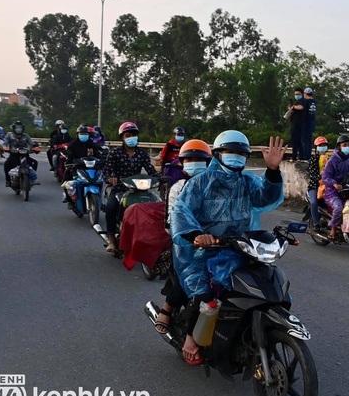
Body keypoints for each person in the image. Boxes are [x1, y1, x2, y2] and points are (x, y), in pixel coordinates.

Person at [170, 131, 286, 365]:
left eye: (241, 153)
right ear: (218, 154)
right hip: (201, 251)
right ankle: (191, 338)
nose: (236, 157)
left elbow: (265, 199)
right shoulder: (200, 181)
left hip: (239, 248)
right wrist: (196, 235)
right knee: (204, 294)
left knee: (265, 283)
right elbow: (181, 211)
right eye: (230, 152)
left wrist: (272, 171)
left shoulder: (247, 181)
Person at [154, 139, 213, 335]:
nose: (195, 163)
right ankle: (168, 308)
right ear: (182, 164)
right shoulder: (178, 187)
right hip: (187, 242)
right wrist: (195, 236)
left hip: (219, 241)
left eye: (199, 159)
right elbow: (172, 222)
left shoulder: (216, 186)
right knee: (192, 271)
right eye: (190, 159)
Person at [103, 121, 160, 253]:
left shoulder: (142, 154)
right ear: (122, 138)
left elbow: (150, 170)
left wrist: (160, 178)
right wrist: (111, 178)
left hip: (139, 189)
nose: (131, 137)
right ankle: (111, 239)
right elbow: (107, 171)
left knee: (154, 206)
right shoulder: (115, 153)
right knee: (111, 208)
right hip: (120, 188)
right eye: (128, 135)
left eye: (133, 134)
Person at [3, 121, 40, 186]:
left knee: (35, 163)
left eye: (20, 128)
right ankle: (8, 181)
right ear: (14, 128)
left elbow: (32, 143)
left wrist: (35, 147)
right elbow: (5, 143)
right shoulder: (9, 135)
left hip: (25, 155)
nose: (18, 129)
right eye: (17, 128)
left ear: (23, 128)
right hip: (14, 155)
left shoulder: (26, 136)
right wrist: (5, 148)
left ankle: (31, 179)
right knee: (6, 164)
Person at [306, 136, 330, 230]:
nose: (322, 147)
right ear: (316, 148)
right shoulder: (313, 159)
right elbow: (313, 175)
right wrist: (321, 178)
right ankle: (316, 223)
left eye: (324, 145)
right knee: (314, 203)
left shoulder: (329, 159)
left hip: (328, 186)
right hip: (314, 186)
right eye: (320, 145)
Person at [287, 88, 306, 162]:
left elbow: (301, 107)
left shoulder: (302, 101)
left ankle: (299, 157)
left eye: (298, 94)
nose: (296, 95)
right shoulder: (297, 102)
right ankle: (296, 156)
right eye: (295, 94)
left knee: (298, 141)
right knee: (295, 141)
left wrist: (294, 107)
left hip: (299, 124)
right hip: (294, 123)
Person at [302, 88, 317, 160]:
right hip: (312, 121)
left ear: (305, 94)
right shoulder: (314, 101)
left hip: (307, 122)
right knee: (309, 139)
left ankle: (305, 156)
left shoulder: (306, 102)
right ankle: (308, 155)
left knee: (305, 140)